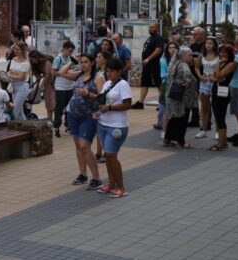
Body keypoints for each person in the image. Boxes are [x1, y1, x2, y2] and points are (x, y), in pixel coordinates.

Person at [59, 54, 103, 189]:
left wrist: (88, 94)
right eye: (81, 62)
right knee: (78, 145)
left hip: (89, 116)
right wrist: (72, 62)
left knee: (85, 146)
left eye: (86, 62)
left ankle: (96, 178)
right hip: (73, 115)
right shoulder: (78, 75)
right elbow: (61, 72)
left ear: (92, 63)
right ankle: (83, 174)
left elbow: (102, 98)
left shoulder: (97, 78)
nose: (83, 64)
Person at [96, 59, 131, 198]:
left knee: (110, 155)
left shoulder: (123, 85)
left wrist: (110, 108)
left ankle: (121, 187)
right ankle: (111, 184)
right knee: (108, 155)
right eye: (107, 71)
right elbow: (103, 100)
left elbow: (128, 104)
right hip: (103, 123)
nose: (109, 73)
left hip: (117, 125)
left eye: (111, 71)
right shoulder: (107, 83)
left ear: (119, 71)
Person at [163, 47, 197, 149]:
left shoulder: (174, 63)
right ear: (183, 56)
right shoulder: (183, 65)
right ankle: (181, 142)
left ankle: (167, 139)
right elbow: (188, 79)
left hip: (172, 95)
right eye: (190, 55)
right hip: (182, 98)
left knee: (174, 118)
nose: (192, 57)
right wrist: (186, 86)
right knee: (182, 119)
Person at [209, 44, 235, 151]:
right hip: (216, 91)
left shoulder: (231, 64)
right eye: (220, 52)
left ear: (230, 53)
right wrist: (216, 76)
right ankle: (223, 142)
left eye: (225, 52)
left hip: (224, 93)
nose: (222, 54)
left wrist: (218, 66)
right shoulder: (221, 63)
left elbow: (218, 76)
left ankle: (221, 143)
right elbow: (213, 77)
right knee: (217, 116)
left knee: (220, 117)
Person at [133, 22, 164, 109]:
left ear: (157, 28)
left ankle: (162, 103)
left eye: (152, 27)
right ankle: (140, 102)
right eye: (149, 27)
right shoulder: (150, 38)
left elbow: (158, 50)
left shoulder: (159, 38)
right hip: (147, 65)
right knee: (144, 83)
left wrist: (148, 59)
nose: (150, 29)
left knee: (158, 83)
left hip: (155, 64)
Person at [195, 37, 219, 140]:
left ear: (214, 45)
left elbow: (219, 69)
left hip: (214, 82)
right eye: (206, 43)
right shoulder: (202, 55)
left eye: (210, 43)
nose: (208, 45)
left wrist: (216, 77)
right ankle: (203, 130)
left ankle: (218, 130)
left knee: (216, 108)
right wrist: (200, 76)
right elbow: (196, 67)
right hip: (204, 82)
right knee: (205, 108)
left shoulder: (218, 56)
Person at [52, 41, 76, 138]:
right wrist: (63, 73)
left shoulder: (70, 58)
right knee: (59, 108)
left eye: (72, 51)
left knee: (69, 108)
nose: (71, 53)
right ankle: (56, 127)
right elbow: (53, 72)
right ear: (65, 48)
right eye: (70, 50)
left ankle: (68, 126)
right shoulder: (58, 59)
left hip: (70, 87)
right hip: (60, 88)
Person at [156, 41, 180, 134]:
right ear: (167, 49)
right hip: (166, 84)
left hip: (176, 85)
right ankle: (162, 125)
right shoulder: (163, 60)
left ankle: (171, 128)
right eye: (170, 47)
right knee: (163, 105)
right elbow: (164, 75)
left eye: (174, 47)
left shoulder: (179, 59)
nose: (172, 49)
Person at [29, 50, 56, 121]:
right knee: (48, 101)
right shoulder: (36, 65)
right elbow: (38, 76)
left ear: (37, 57)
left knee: (53, 101)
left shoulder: (47, 62)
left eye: (33, 60)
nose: (32, 62)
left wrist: (41, 86)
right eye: (30, 60)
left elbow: (48, 74)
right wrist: (37, 87)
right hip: (47, 84)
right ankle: (49, 119)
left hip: (53, 82)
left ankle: (54, 119)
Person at [7, 41, 30, 121]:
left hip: (22, 87)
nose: (16, 51)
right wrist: (14, 75)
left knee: (15, 108)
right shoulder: (14, 59)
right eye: (15, 49)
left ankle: (12, 127)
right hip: (14, 86)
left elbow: (21, 78)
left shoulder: (26, 63)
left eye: (18, 50)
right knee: (20, 111)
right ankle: (25, 126)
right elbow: (10, 71)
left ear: (23, 50)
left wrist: (11, 76)